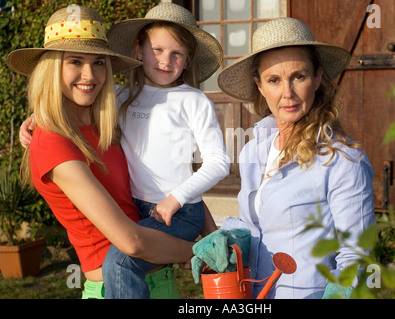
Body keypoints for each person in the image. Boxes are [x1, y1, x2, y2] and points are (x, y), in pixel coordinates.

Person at [8, 5, 196, 299]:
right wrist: (196, 250)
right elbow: (130, 242)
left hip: (161, 281)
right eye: (74, 61)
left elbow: (172, 177)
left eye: (98, 62)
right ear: (51, 68)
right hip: (114, 287)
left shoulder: (109, 123)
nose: (89, 74)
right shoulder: (52, 140)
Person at [190, 17, 376, 299]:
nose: (287, 94)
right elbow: (252, 224)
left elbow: (357, 254)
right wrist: (229, 241)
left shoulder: (342, 160)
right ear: (260, 86)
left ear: (317, 78)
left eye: (298, 77)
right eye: (274, 80)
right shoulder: (255, 148)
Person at [98, 2, 229, 299]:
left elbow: (219, 162)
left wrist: (175, 199)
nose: (165, 60)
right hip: (134, 208)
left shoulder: (193, 101)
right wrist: (34, 120)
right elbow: (77, 114)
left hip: (179, 213)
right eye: (156, 50)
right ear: (138, 50)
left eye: (176, 53)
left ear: (187, 60)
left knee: (120, 262)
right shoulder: (119, 97)